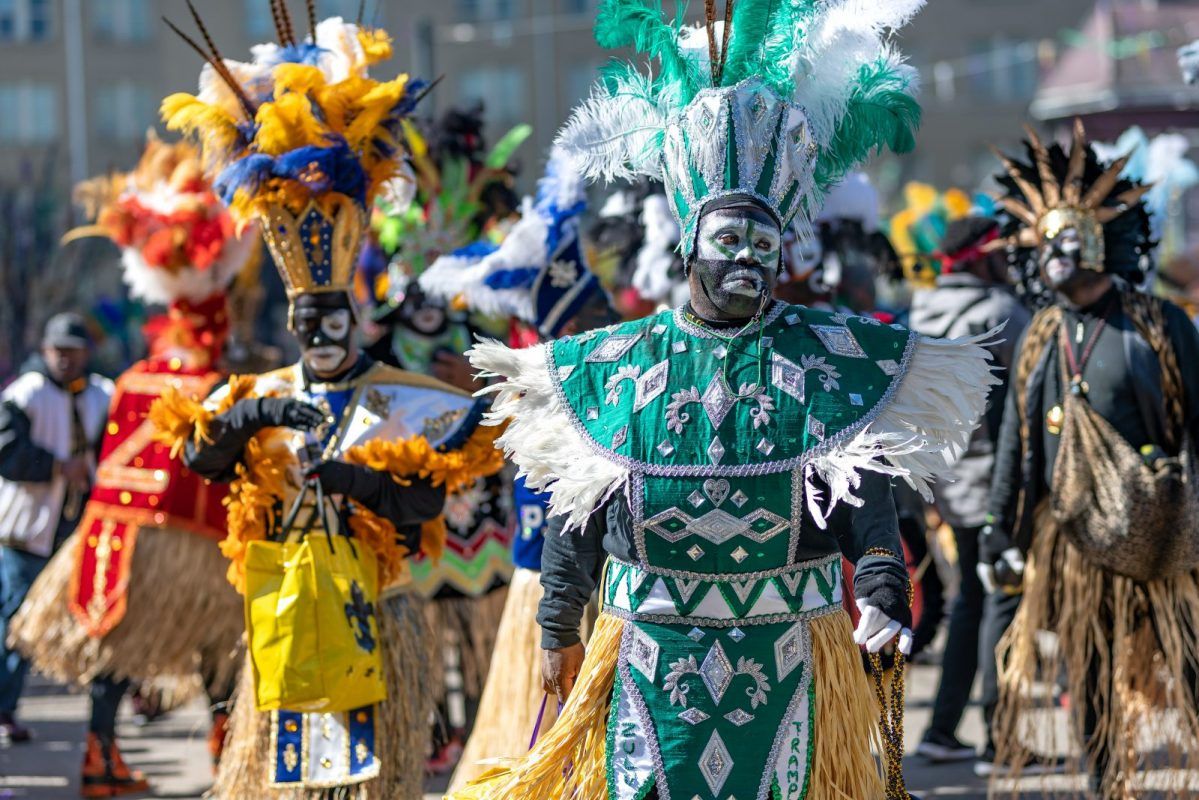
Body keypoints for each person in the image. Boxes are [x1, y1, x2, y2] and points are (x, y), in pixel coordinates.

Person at [452, 2, 1002, 797]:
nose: (747, 258)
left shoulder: (827, 357)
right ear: (686, 245)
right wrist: (555, 625)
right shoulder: (611, 364)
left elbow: (868, 505)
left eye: (763, 244)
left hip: (794, 655)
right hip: (648, 657)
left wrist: (884, 589)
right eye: (728, 241)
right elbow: (578, 510)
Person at [155, 9, 505, 798]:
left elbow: (422, 504)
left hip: (373, 621)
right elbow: (199, 460)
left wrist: (353, 484)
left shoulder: (400, 399)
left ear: (356, 319)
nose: (320, 329)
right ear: (290, 321)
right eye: (307, 318)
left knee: (371, 783)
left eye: (334, 316)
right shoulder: (263, 394)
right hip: (282, 623)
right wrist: (252, 420)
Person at [985, 120, 1199, 798]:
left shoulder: (1157, 325)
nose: (1054, 250)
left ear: (1103, 240)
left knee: (1189, 667)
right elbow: (1014, 445)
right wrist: (999, 528)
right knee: (1090, 671)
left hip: (1163, 540)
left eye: (1068, 235)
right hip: (1073, 545)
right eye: (1044, 238)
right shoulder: (1039, 334)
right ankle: (1108, 783)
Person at [908, 216, 1030, 764]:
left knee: (973, 601)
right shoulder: (1004, 313)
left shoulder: (922, 311)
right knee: (1000, 601)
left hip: (947, 483)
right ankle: (1001, 739)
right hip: (997, 484)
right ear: (984, 258)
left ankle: (941, 731)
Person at [0, 314, 113, 748]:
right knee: (16, 623)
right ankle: (5, 709)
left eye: (73, 350)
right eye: (58, 350)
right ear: (45, 351)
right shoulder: (25, 394)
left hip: (76, 532)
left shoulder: (102, 394)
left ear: (86, 353)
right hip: (26, 532)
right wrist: (55, 465)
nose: (65, 359)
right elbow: (6, 453)